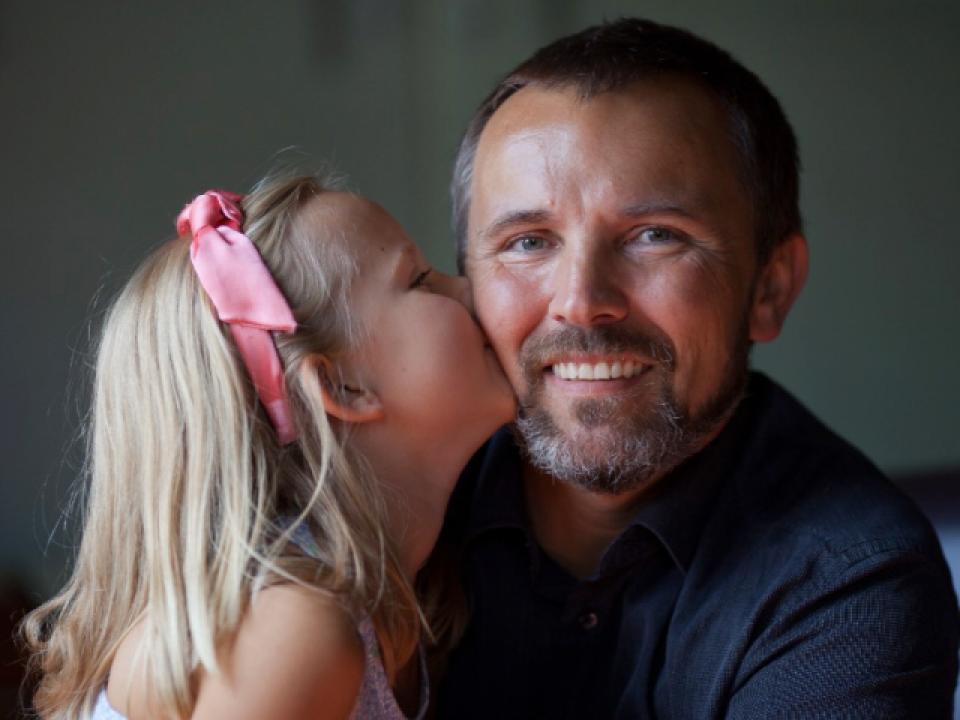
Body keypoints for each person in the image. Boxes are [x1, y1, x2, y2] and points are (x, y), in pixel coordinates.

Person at [436, 18, 959, 719]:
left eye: (655, 236)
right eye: (528, 241)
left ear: (769, 289)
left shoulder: (853, 578)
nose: (582, 303)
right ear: (466, 285)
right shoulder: (387, 506)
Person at [21, 175, 515, 719]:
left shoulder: (405, 588)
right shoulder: (291, 628)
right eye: (420, 279)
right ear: (341, 388)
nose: (469, 288)